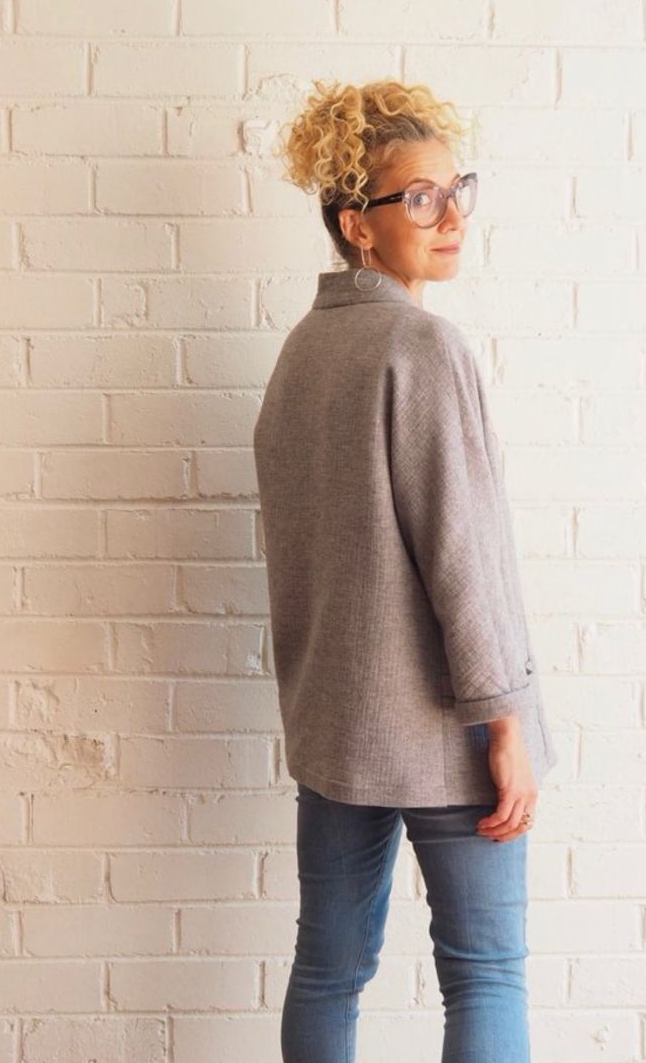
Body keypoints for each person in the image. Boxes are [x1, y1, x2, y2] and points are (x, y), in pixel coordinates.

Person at [253, 78, 560, 1063]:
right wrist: (505, 722)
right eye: (420, 198)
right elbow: (462, 555)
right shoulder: (420, 346)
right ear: (359, 225)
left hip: (337, 730)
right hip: (443, 726)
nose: (451, 216)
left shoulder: (304, 352)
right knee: (486, 972)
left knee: (327, 969)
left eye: (456, 190)